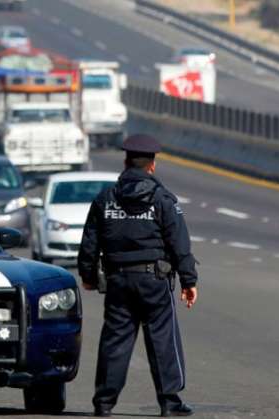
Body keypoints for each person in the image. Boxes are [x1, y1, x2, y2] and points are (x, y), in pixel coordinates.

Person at [78, 134, 198, 417]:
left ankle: (104, 403)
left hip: (118, 281)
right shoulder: (163, 200)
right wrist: (189, 281)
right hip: (154, 281)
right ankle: (170, 403)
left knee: (115, 342)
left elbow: (89, 243)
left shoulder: (105, 199)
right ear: (152, 166)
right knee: (162, 340)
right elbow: (179, 243)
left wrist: (88, 275)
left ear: (125, 162)